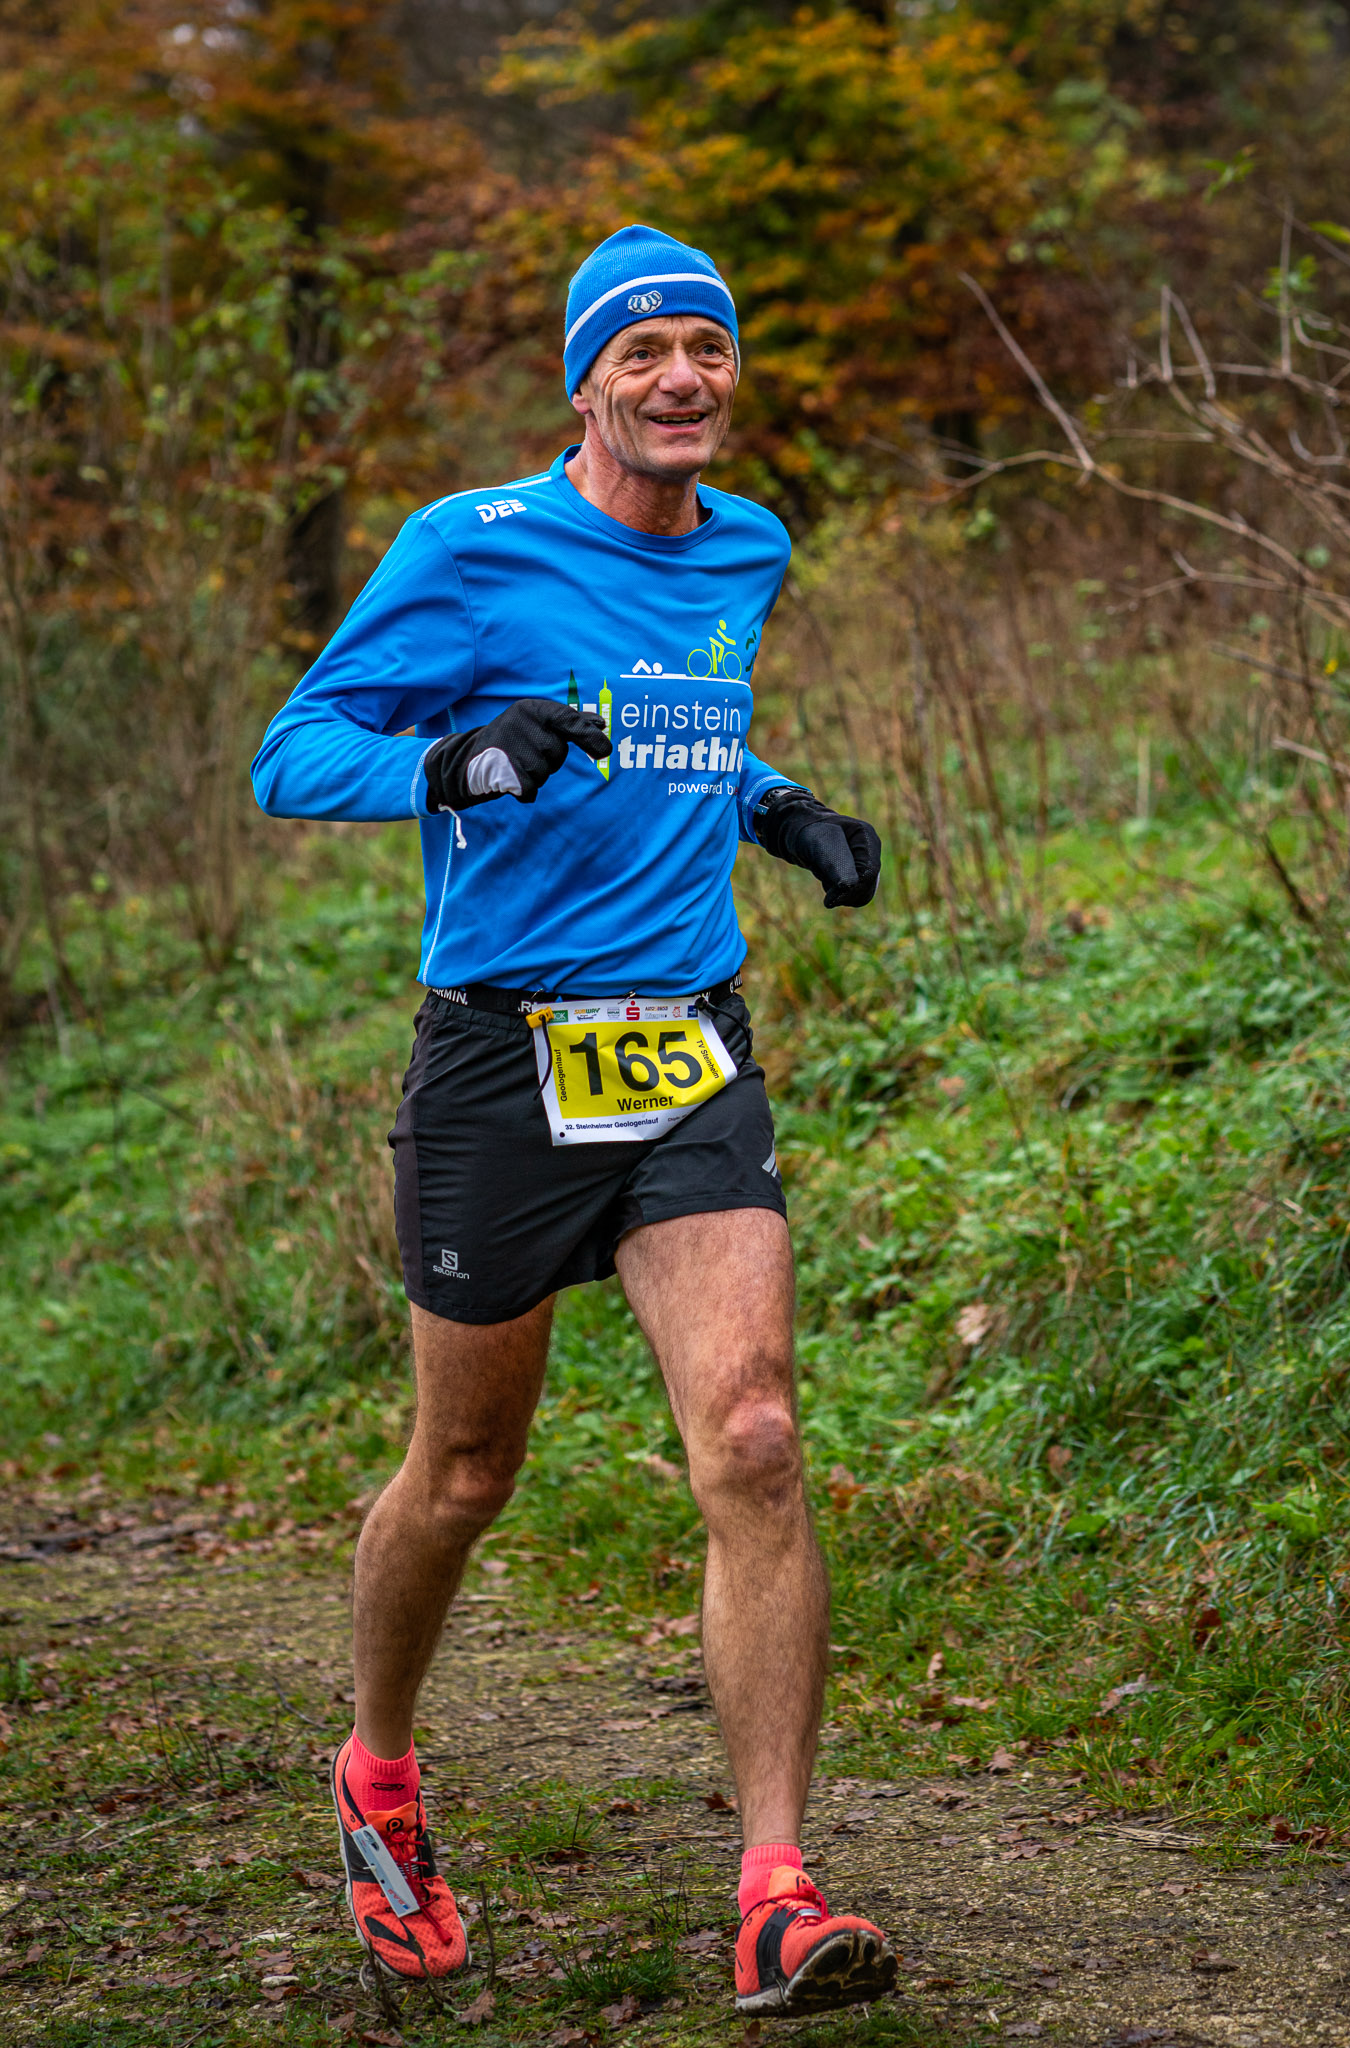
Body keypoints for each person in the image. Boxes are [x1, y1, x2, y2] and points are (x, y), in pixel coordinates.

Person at [251, 223, 894, 2018]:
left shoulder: (747, 546)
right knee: (466, 1474)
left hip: (683, 1046)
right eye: (644, 353)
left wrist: (775, 806)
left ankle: (774, 1890)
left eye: (709, 347)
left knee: (754, 1437)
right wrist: (446, 762)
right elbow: (293, 751)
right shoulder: (469, 549)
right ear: (585, 382)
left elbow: (680, 723)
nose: (683, 377)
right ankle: (379, 1768)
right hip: (499, 1058)